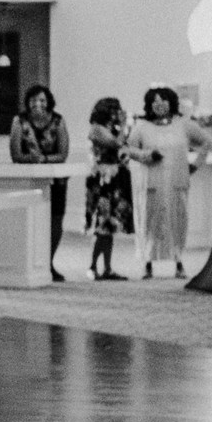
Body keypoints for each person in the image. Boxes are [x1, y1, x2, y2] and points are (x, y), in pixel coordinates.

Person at [124, 86, 207, 279]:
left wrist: (195, 165)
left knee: (177, 221)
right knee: (150, 221)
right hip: (151, 183)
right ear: (149, 105)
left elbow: (206, 141)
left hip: (177, 182)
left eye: (163, 101)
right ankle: (147, 263)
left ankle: (178, 262)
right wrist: (146, 155)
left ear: (171, 102)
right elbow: (128, 149)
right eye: (154, 101)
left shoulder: (183, 124)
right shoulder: (142, 127)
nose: (159, 105)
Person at [9, 84, 72, 281]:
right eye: (34, 100)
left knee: (55, 220)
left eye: (42, 100)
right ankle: (30, 263)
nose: (38, 104)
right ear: (28, 102)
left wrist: (44, 159)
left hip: (55, 179)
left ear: (49, 102)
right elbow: (16, 154)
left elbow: (63, 154)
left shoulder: (58, 121)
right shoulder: (19, 121)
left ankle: (49, 262)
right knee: (30, 221)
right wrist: (32, 159)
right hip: (28, 179)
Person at [85, 97, 133, 281]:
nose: (117, 113)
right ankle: (92, 266)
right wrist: (122, 123)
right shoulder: (96, 128)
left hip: (115, 179)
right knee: (102, 225)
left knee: (110, 225)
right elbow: (115, 143)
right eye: (113, 110)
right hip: (102, 181)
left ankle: (107, 267)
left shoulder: (113, 127)